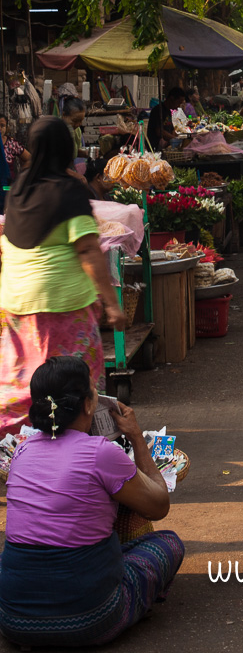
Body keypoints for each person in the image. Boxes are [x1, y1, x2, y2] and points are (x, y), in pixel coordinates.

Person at [0, 356, 183, 647]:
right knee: (168, 543)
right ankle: (130, 603)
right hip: (92, 619)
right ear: (87, 404)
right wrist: (135, 435)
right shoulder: (100, 452)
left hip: (14, 622)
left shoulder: (21, 454)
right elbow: (159, 506)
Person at [0, 118, 125, 433]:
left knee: (25, 382)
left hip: (15, 305)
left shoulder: (18, 188)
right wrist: (111, 304)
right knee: (75, 381)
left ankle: (16, 447)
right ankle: (73, 450)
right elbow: (88, 251)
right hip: (62, 306)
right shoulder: (70, 189)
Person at [0, 114, 28, 181]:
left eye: (2, 125)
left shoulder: (11, 143)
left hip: (6, 187)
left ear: (6, 127)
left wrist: (21, 176)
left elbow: (30, 159)